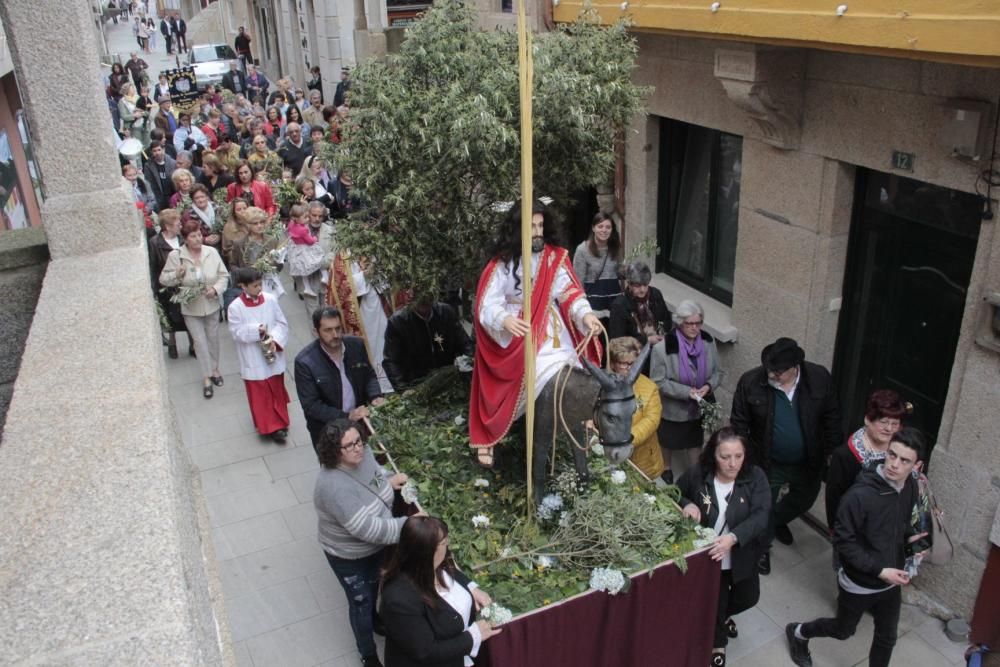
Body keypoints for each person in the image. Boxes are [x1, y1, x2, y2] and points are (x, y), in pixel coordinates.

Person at [470, 199, 603, 467]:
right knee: (523, 374)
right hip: (517, 331)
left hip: (551, 327)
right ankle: (490, 435)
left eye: (541, 225)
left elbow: (569, 292)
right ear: (518, 227)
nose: (537, 232)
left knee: (572, 365)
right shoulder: (503, 262)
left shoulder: (554, 256)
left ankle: (578, 416)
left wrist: (585, 314)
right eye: (531, 226)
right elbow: (487, 302)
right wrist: (504, 319)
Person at [786, 428, 928, 667]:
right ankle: (799, 632)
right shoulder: (859, 496)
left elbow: (899, 524)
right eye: (892, 455)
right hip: (860, 581)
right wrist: (880, 571)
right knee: (843, 630)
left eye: (904, 461)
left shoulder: (911, 486)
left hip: (892, 579)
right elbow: (843, 543)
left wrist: (911, 543)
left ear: (917, 466)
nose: (894, 464)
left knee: (887, 637)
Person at [730, 337, 842, 575]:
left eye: (778, 372)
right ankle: (761, 548)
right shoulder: (751, 381)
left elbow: (831, 416)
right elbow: (740, 423)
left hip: (808, 461)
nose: (772, 375)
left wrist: (833, 451)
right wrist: (741, 456)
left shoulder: (819, 378)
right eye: (770, 369)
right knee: (762, 506)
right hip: (768, 461)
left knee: (805, 499)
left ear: (795, 367)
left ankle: (775, 522)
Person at [313, 419, 410, 667]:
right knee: (360, 603)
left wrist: (388, 480)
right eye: (349, 446)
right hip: (348, 556)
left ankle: (374, 618)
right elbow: (367, 529)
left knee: (374, 586)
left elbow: (374, 478)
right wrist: (407, 526)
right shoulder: (333, 486)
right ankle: (367, 654)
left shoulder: (362, 455)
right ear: (335, 451)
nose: (358, 448)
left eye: (359, 441)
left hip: (374, 550)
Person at [677, 427, 770, 667]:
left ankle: (718, 619)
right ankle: (717, 642)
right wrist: (687, 505)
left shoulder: (755, 476)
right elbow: (675, 493)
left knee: (748, 598)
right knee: (716, 603)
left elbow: (761, 515)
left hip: (740, 554)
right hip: (710, 557)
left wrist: (734, 537)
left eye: (738, 456)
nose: (732, 463)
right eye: (725, 457)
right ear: (713, 455)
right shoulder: (698, 474)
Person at [380, 516, 502, 667]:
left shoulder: (431, 564)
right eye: (444, 543)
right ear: (427, 553)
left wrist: (472, 588)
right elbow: (426, 652)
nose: (447, 545)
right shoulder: (399, 600)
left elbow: (448, 567)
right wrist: (473, 636)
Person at [650, 300, 722, 484]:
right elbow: (658, 382)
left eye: (698, 323)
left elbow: (718, 372)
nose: (695, 328)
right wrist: (686, 392)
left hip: (697, 407)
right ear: (680, 323)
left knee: (694, 441)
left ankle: (695, 474)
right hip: (673, 408)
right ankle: (667, 467)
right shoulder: (663, 348)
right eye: (690, 323)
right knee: (668, 441)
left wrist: (708, 386)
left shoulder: (708, 341)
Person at [294, 307, 386, 445]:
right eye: (328, 330)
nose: (335, 334)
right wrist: (347, 416)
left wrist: (375, 396)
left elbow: (369, 376)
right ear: (316, 332)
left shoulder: (356, 345)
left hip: (360, 423)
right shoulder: (305, 362)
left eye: (338, 328)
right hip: (328, 430)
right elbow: (311, 405)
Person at [159, 219, 230, 398]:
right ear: (185, 238)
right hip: (191, 307)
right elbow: (163, 279)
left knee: (213, 338)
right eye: (193, 236)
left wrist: (215, 289)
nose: (198, 239)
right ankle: (206, 376)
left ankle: (215, 369)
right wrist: (177, 274)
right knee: (199, 342)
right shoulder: (177, 256)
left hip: (212, 304)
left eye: (199, 234)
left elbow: (223, 275)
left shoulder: (211, 252)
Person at [826, 389, 907, 531]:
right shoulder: (845, 456)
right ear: (867, 420)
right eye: (883, 422)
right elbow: (834, 499)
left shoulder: (904, 448)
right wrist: (837, 532)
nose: (889, 429)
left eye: (895, 424)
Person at [227, 267, 291, 443]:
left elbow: (281, 323)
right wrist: (256, 330)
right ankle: (269, 427)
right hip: (253, 357)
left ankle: (281, 421)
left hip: (272, 352)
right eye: (255, 285)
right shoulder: (235, 308)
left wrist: (274, 340)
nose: (259, 288)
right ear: (243, 286)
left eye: (260, 284)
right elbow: (236, 332)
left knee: (276, 390)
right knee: (261, 395)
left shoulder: (270, 300)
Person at [327, 251, 394, 393]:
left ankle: (392, 379)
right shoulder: (343, 256)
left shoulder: (374, 246)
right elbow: (341, 288)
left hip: (380, 305)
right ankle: (376, 386)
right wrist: (364, 275)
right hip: (362, 312)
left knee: (386, 341)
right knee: (371, 347)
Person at [383, 299, 474, 392]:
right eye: (418, 293)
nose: (424, 300)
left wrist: (467, 362)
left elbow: (465, 344)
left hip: (449, 380)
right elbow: (391, 360)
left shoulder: (446, 312)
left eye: (428, 295)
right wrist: (403, 389)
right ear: (409, 295)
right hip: (416, 386)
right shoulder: (398, 322)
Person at [607, 336, 665, 481]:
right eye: (625, 363)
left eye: (634, 363)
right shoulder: (602, 384)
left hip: (643, 460)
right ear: (613, 364)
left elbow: (651, 420)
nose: (630, 368)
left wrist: (625, 440)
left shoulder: (649, 387)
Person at [147, 209, 191, 359]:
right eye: (177, 222)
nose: (180, 224)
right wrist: (154, 289)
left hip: (186, 283)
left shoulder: (182, 239)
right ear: (167, 226)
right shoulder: (155, 243)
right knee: (171, 317)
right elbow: (153, 267)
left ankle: (193, 344)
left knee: (189, 315)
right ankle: (173, 344)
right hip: (167, 286)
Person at [608, 260, 670, 352]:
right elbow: (617, 341)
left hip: (658, 346)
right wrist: (646, 341)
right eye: (637, 286)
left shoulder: (655, 294)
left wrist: (661, 330)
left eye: (645, 284)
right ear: (629, 283)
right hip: (634, 353)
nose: (643, 290)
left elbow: (667, 319)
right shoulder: (619, 306)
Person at [572, 211, 622, 321]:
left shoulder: (615, 247)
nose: (604, 230)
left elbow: (618, 271)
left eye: (608, 227)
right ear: (593, 228)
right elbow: (577, 281)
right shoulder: (582, 250)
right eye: (600, 226)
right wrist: (582, 308)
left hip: (614, 303)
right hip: (593, 305)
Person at [229, 205, 285, 297]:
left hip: (269, 285)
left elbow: (279, 265)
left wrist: (275, 264)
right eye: (255, 223)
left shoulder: (272, 240)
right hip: (250, 286)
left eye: (262, 222)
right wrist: (244, 273)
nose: (259, 226)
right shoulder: (239, 244)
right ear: (247, 225)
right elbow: (232, 265)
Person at [142, 140, 177, 211]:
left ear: (163, 150)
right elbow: (149, 182)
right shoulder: (148, 166)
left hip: (171, 195)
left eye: (159, 150)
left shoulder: (172, 163)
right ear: (151, 152)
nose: (157, 153)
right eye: (154, 151)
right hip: (158, 197)